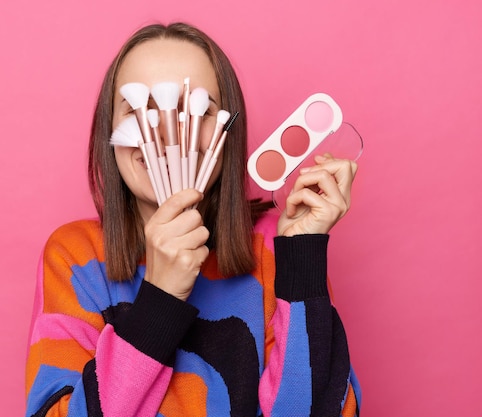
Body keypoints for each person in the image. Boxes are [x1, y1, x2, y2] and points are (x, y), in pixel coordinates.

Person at [25, 22, 361, 417]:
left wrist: (301, 260)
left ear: (227, 133)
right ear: (109, 134)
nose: (169, 134)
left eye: (196, 110)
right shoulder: (76, 257)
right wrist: (160, 300)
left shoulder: (278, 247)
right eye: (139, 111)